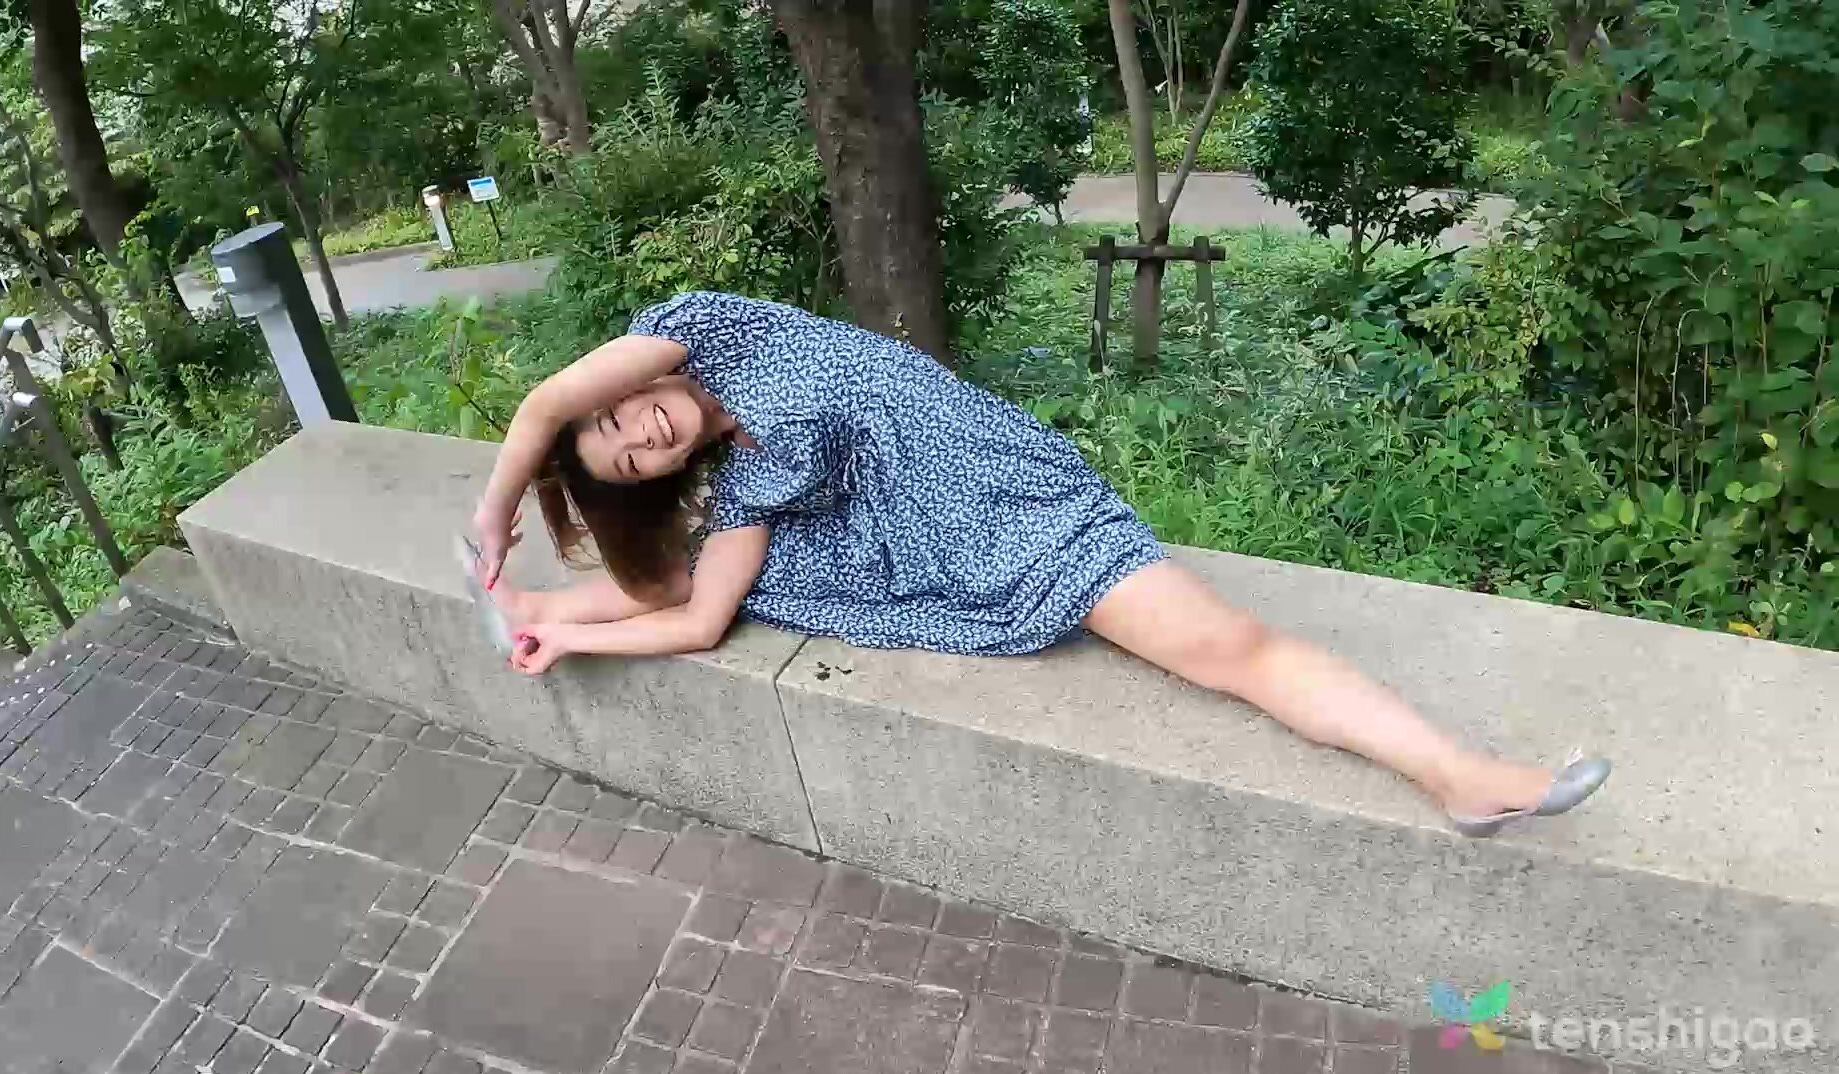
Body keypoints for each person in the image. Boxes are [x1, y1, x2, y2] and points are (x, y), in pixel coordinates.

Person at [469, 291, 1610, 837]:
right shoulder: (752, 488)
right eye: (630, 462)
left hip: (1029, 477)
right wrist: (559, 630)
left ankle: (1457, 775)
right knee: (1228, 647)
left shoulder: (707, 325)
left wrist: (497, 503)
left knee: (1231, 645)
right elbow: (694, 614)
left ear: (629, 382)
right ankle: (1456, 774)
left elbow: (544, 403)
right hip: (1001, 544)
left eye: (618, 420)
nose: (640, 435)